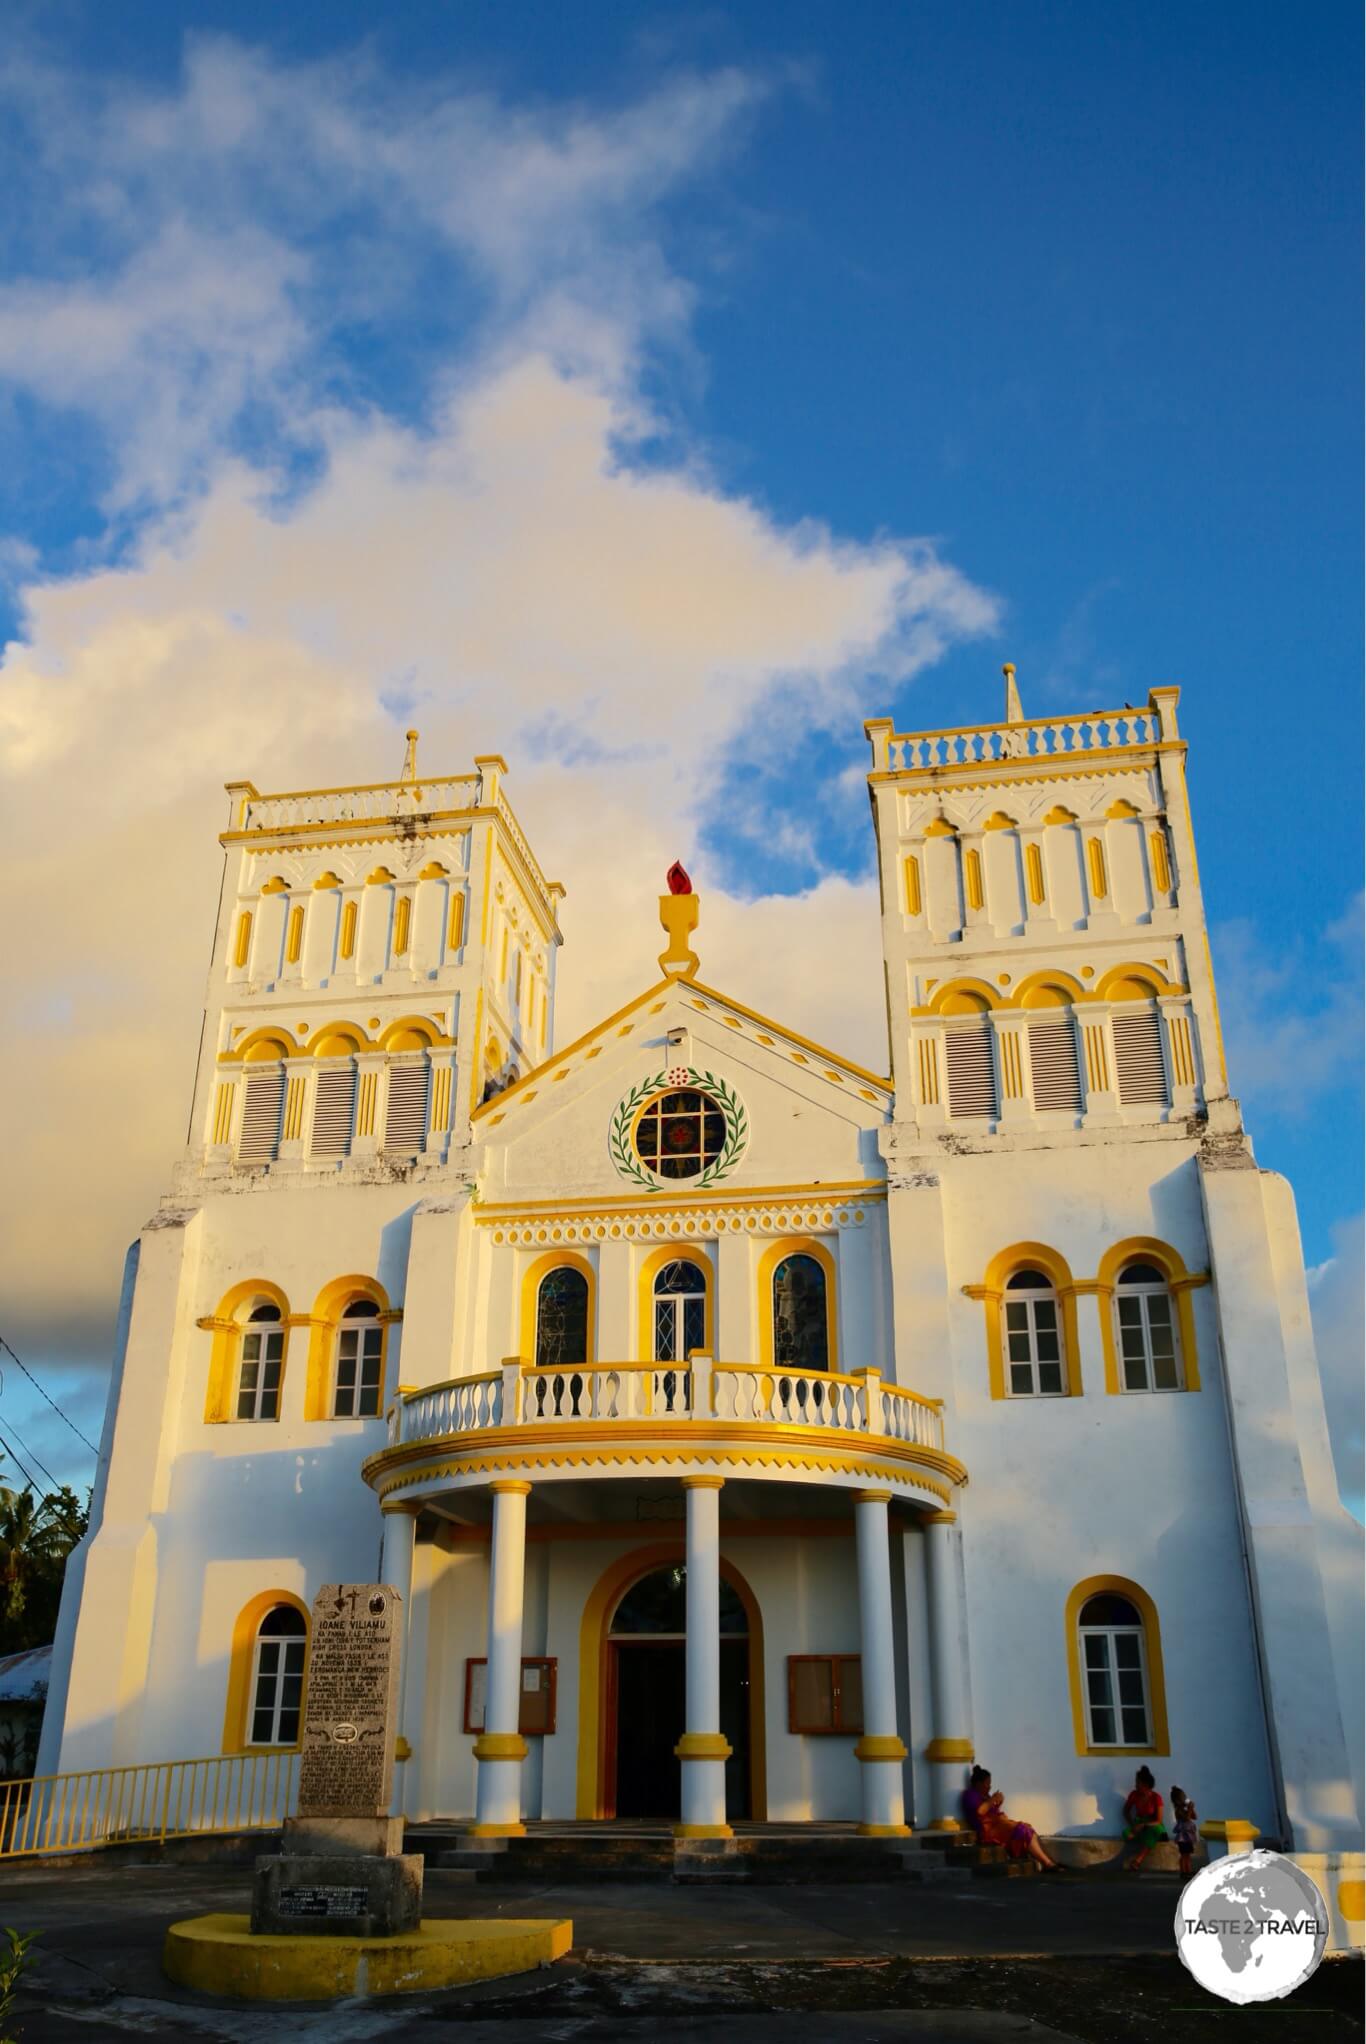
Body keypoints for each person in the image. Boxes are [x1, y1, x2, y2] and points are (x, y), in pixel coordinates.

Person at [961, 1765, 1064, 1872]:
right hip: (989, 1831)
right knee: (1022, 1830)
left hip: (999, 1824)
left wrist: (998, 1802)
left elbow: (991, 1810)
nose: (989, 1787)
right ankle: (1048, 1864)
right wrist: (992, 1800)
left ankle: (1050, 1861)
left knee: (1027, 1828)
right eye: (987, 1783)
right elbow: (980, 1811)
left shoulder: (985, 1795)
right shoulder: (970, 1795)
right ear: (979, 1784)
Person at [1122, 1765, 1168, 1869]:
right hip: (1139, 1822)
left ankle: (1138, 1860)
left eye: (1138, 1782)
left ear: (1145, 1784)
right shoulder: (1134, 1795)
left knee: (1154, 1831)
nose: (1135, 1785)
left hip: (1152, 1824)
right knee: (1126, 1833)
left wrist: (1143, 1825)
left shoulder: (1156, 1797)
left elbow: (1159, 1820)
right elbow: (1125, 1811)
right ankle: (1144, 1837)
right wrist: (1133, 1825)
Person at [1170, 1785, 1198, 1878]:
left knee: (1188, 1854)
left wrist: (1191, 1809)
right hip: (1183, 1836)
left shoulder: (1185, 1809)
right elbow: (1186, 1819)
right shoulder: (1178, 1810)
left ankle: (1188, 1870)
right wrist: (1189, 1809)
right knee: (1184, 1854)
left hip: (1188, 1836)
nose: (1185, 1799)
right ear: (1177, 1800)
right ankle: (1183, 1871)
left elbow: (1194, 1817)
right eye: (1183, 1797)